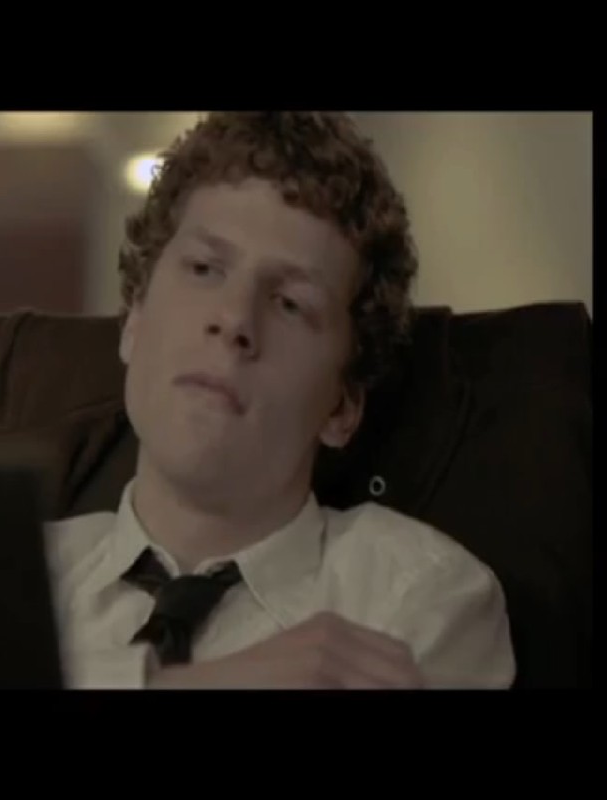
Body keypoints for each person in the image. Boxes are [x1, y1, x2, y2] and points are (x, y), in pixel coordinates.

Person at [45, 112, 515, 690]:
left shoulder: (422, 601)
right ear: (134, 322)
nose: (234, 320)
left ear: (342, 406)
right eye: (204, 268)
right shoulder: (4, 573)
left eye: (291, 303)